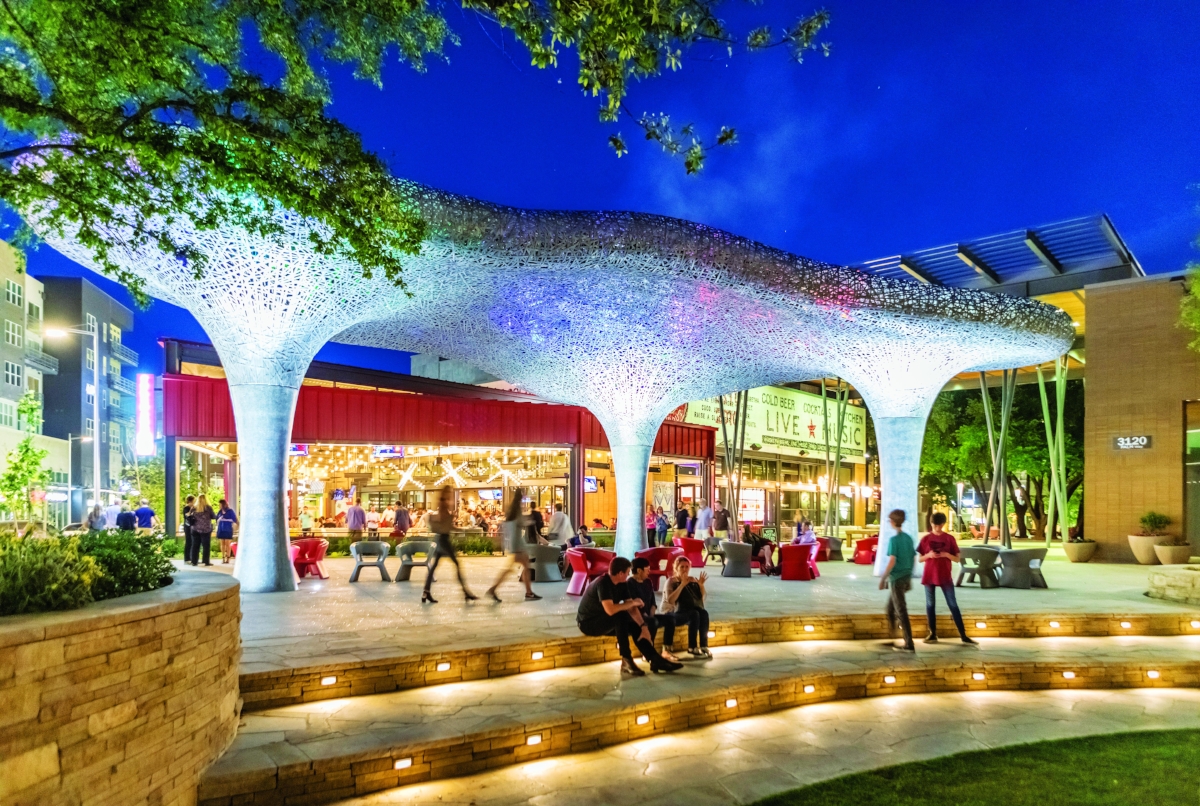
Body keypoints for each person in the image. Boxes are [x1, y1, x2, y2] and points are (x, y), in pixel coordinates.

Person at [575, 556, 682, 676]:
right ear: (620, 573)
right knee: (620, 615)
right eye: (627, 572)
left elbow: (632, 608)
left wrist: (643, 626)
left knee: (634, 625)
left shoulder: (622, 584)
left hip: (606, 622)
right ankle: (626, 660)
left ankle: (654, 659)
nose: (628, 575)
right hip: (588, 623)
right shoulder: (603, 583)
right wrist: (632, 603)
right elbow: (610, 610)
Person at [918, 512, 978, 645]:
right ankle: (932, 633)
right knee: (930, 604)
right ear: (931, 524)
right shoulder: (926, 539)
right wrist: (929, 555)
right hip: (929, 575)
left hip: (945, 575)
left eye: (939, 526)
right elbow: (920, 559)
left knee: (952, 604)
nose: (937, 528)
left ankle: (963, 635)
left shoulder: (949, 539)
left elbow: (957, 558)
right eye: (934, 526)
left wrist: (946, 554)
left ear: (943, 525)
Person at [422, 486, 477, 604]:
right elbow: (444, 523)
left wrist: (458, 527)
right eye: (450, 492)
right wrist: (460, 528)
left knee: (435, 566)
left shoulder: (443, 503)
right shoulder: (443, 504)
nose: (452, 495)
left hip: (441, 539)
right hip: (444, 539)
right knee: (456, 564)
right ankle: (466, 592)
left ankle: (426, 592)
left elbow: (445, 524)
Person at [486, 487, 541, 603]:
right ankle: (528, 593)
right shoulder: (517, 509)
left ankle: (528, 592)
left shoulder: (512, 508)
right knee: (522, 567)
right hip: (518, 543)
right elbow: (520, 522)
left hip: (514, 542)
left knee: (518, 567)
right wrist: (530, 521)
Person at [878, 508, 916, 652]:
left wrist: (883, 578)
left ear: (893, 522)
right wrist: (909, 575)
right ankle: (892, 637)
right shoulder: (908, 538)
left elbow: (892, 560)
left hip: (897, 578)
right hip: (905, 576)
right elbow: (913, 557)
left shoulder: (894, 540)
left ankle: (909, 642)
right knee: (890, 608)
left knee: (901, 610)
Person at [628, 557, 678, 662]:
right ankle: (648, 652)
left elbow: (652, 602)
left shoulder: (648, 582)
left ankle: (666, 650)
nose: (649, 572)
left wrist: (651, 612)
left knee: (670, 619)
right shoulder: (630, 583)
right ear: (639, 570)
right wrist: (647, 616)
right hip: (636, 618)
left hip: (648, 615)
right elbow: (633, 605)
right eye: (647, 569)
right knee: (652, 622)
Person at [661, 556, 712, 659]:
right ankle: (692, 647)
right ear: (676, 568)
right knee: (694, 614)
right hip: (672, 613)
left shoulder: (692, 580)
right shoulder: (671, 581)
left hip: (688, 611)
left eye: (687, 567)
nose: (685, 569)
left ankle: (703, 645)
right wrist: (682, 585)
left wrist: (701, 585)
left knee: (703, 613)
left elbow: (701, 599)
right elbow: (670, 600)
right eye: (682, 567)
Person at [191, 495, 215, 566]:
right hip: (206, 530)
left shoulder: (194, 508)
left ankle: (194, 561)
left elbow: (190, 516)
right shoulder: (208, 508)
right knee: (206, 546)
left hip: (195, 529)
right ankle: (206, 561)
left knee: (195, 546)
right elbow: (213, 516)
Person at [216, 499, 238, 564]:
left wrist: (226, 519)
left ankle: (228, 558)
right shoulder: (220, 511)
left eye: (220, 504)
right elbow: (216, 519)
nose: (219, 506)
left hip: (228, 529)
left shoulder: (230, 511)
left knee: (227, 543)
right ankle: (223, 557)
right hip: (221, 528)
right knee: (222, 543)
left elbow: (234, 519)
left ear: (223, 504)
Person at [181, 494, 196, 563]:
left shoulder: (193, 508)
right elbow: (187, 516)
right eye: (193, 501)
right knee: (188, 542)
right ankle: (187, 558)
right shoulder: (186, 508)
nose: (194, 503)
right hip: (187, 527)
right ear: (189, 502)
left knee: (193, 542)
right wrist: (191, 512)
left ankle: (191, 557)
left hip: (192, 527)